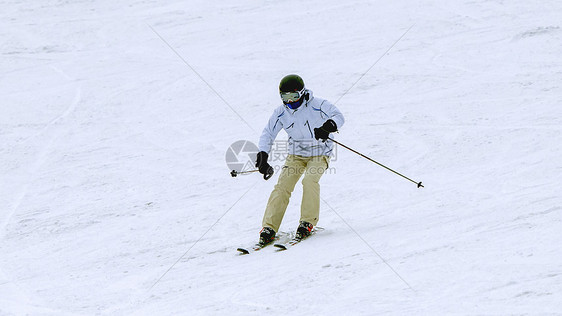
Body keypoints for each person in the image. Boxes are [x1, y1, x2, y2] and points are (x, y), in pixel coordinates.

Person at [255, 74, 345, 245]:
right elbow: (268, 133)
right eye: (285, 97)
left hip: (320, 153)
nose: (290, 102)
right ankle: (269, 227)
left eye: (293, 97)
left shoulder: (318, 105)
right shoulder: (281, 113)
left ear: (302, 94)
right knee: (282, 186)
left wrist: (328, 127)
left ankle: (307, 222)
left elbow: (338, 116)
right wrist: (263, 155)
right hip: (296, 155)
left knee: (310, 181)